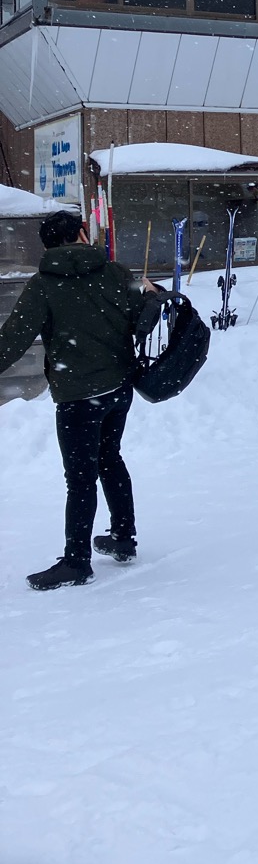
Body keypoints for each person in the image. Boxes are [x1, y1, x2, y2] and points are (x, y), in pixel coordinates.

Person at [0, 208, 160, 591]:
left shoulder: (43, 284)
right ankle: (122, 538)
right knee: (110, 458)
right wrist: (149, 294)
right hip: (120, 387)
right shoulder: (116, 272)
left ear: (48, 244)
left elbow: (12, 342)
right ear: (83, 233)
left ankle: (77, 562)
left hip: (77, 397)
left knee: (80, 477)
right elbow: (144, 314)